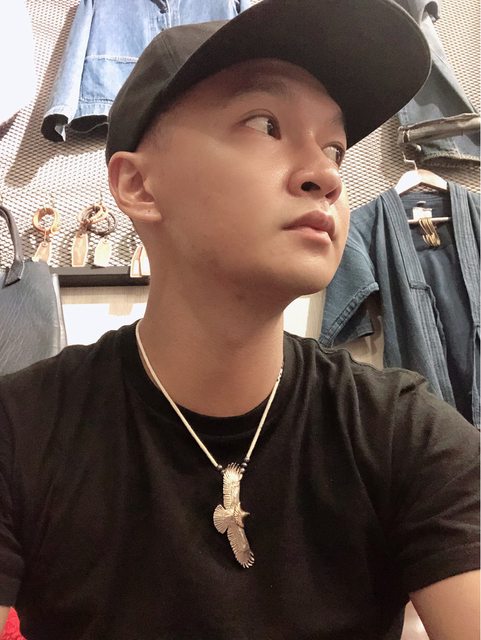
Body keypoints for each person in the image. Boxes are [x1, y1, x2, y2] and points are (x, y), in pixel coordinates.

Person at [0, 0, 479, 638]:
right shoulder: (22, 431)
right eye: (264, 123)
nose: (325, 176)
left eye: (335, 148)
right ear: (139, 186)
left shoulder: (403, 432)